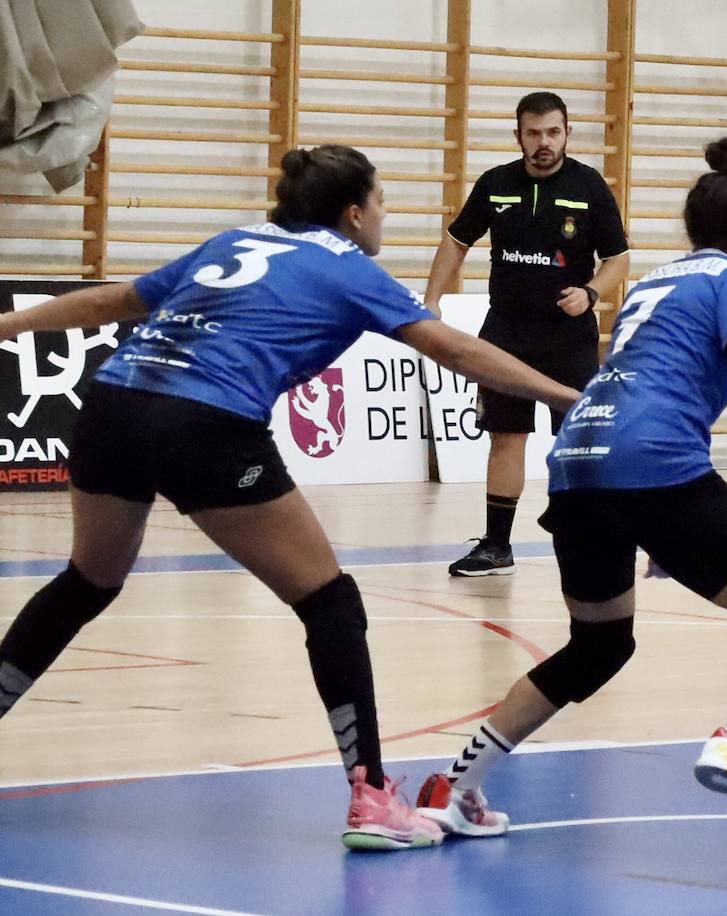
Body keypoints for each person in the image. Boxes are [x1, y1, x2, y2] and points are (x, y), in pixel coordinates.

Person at [0, 145, 582, 851]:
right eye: (382, 203)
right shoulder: (348, 270)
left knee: (86, 581)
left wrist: (5, 326)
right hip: (205, 423)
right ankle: (372, 796)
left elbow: (111, 302)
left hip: (114, 405)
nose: (385, 217)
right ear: (353, 213)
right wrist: (566, 396)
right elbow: (455, 351)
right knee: (329, 602)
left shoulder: (232, 241)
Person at [411, 137, 727, 837]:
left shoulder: (656, 283)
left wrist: (655, 528)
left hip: (578, 460)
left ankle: (454, 787)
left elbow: (646, 379)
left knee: (597, 646)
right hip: (651, 460)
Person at [424, 91, 631, 578]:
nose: (544, 142)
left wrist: (592, 292)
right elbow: (456, 242)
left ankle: (586, 537)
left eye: (553, 132)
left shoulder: (589, 186)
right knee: (506, 436)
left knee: (577, 440)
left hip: (569, 336)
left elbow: (618, 259)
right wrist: (431, 300)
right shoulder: (496, 185)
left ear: (567, 133)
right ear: (518, 135)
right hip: (506, 333)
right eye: (534, 133)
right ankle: (497, 547)